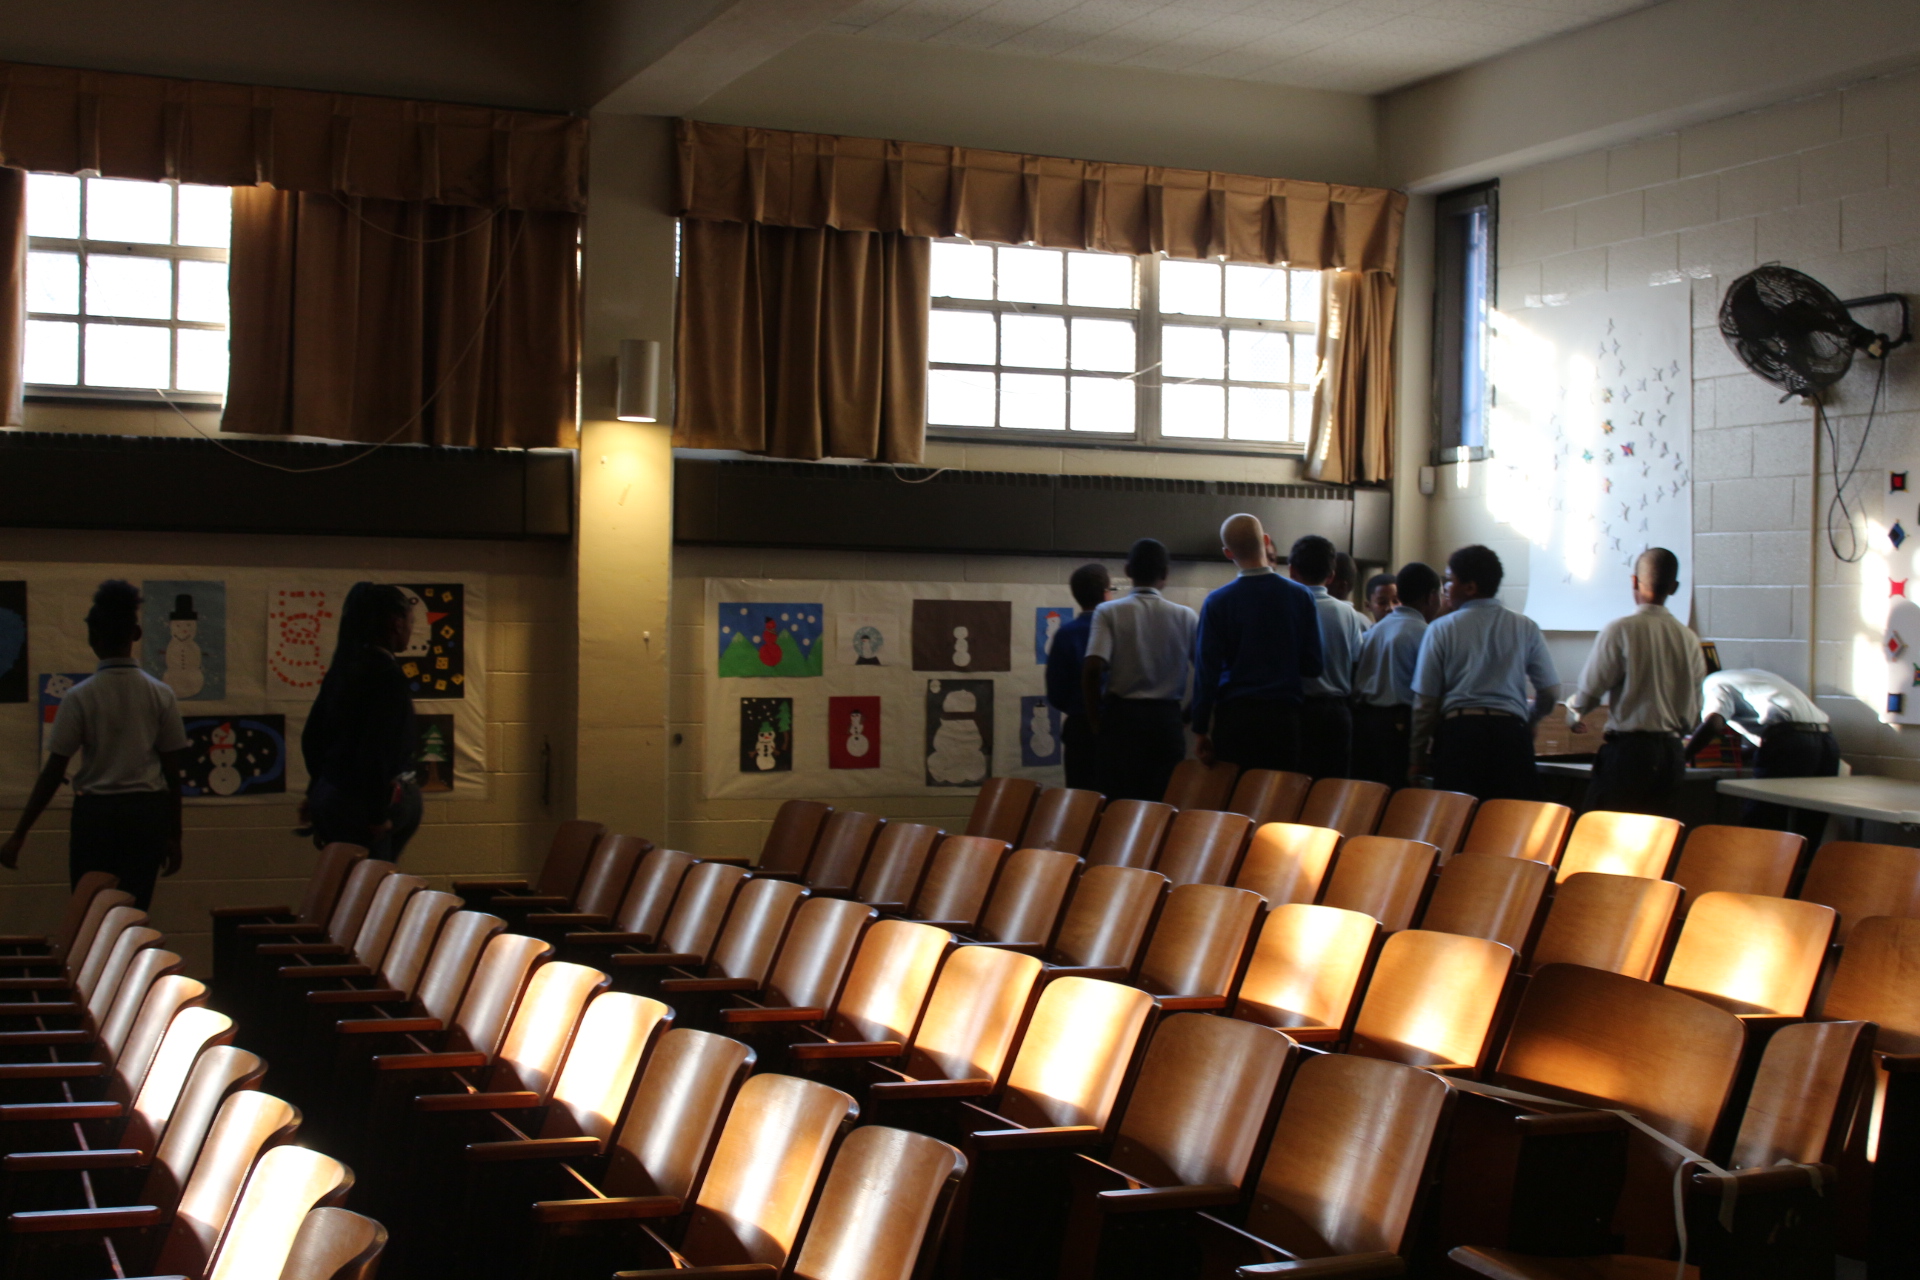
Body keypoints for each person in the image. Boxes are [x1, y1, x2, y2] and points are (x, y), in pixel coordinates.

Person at [0, 581, 189, 910]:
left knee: (91, 913)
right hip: (146, 814)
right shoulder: (161, 694)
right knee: (133, 913)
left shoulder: (79, 696)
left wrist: (20, 833)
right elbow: (172, 773)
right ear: (136, 633)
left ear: (92, 638)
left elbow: (54, 770)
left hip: (96, 817)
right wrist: (175, 835)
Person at [1410, 545, 1561, 801]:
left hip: (1460, 736)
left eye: (1450, 580)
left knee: (1458, 817)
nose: (1446, 587)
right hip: (1512, 736)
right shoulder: (1526, 627)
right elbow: (1550, 690)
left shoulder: (1441, 629)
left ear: (1470, 587)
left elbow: (1426, 701)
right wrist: (1530, 720)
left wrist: (1416, 757)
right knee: (1508, 818)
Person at [1568, 548, 1705, 816]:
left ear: (1633, 581)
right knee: (1657, 834)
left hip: (1631, 754)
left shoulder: (1621, 629)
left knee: (1604, 830)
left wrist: (1574, 713)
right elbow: (1694, 711)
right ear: (1674, 587)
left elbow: (1591, 690)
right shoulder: (1689, 639)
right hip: (1672, 755)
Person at [1190, 514, 1324, 774]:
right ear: (1265, 540)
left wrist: (1200, 728)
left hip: (1234, 719)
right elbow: (1314, 666)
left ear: (1228, 553)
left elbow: (1206, 671)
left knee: (1235, 795)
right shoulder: (1300, 596)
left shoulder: (1217, 602)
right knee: (1279, 794)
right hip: (1283, 719)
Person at [302, 582, 422, 860]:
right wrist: (377, 814)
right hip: (362, 804)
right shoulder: (386, 675)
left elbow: (313, 738)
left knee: (347, 876)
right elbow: (377, 750)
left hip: (334, 794)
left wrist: (317, 791)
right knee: (370, 880)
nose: (410, 629)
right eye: (410, 621)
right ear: (396, 623)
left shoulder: (343, 669)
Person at [1083, 539, 1198, 803]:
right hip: (1166, 722)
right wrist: (1186, 716)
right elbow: (1206, 673)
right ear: (1165, 573)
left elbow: (1092, 668)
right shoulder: (1186, 616)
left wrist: (1096, 721)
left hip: (1122, 721)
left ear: (1127, 571)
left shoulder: (1108, 611)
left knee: (1118, 806)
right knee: (1162, 805)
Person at [1687, 668, 1840, 842]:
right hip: (1826, 740)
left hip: (1789, 740)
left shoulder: (1713, 682)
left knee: (1764, 817)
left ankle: (1757, 860)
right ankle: (1806, 859)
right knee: (1810, 820)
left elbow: (1713, 723)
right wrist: (1747, 754)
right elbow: (1788, 725)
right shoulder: (1752, 675)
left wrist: (1684, 756)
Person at [1351, 562, 1441, 790]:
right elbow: (1428, 694)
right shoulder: (1426, 634)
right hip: (1400, 725)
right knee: (1399, 796)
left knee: (1371, 795)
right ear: (1431, 597)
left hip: (1366, 722)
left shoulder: (1373, 631)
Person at [1289, 535, 1366, 778]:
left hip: (1297, 711)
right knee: (1333, 787)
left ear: (1291, 571)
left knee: (1295, 783)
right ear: (1331, 576)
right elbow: (1357, 661)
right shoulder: (1348, 613)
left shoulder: (1288, 607)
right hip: (1337, 712)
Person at [1045, 563, 1113, 791]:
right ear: (1106, 593)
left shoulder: (1065, 634)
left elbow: (1056, 693)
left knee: (1080, 801)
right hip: (1115, 727)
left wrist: (1078, 708)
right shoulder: (1116, 630)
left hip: (1079, 729)